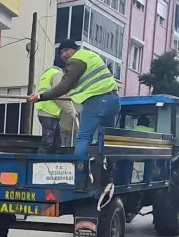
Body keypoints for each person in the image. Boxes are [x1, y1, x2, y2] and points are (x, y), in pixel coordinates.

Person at [28, 40, 120, 187]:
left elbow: (64, 86)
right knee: (106, 137)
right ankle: (107, 174)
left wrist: (40, 97)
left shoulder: (76, 61)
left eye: (67, 50)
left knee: (83, 137)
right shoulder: (90, 56)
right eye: (62, 52)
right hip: (113, 100)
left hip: (97, 101)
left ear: (74, 50)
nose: (64, 54)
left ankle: (79, 176)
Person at [34, 53, 78, 153]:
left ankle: (53, 162)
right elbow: (59, 96)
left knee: (56, 142)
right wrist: (71, 111)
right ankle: (39, 163)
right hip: (49, 112)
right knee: (48, 142)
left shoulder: (47, 73)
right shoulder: (57, 75)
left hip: (45, 110)